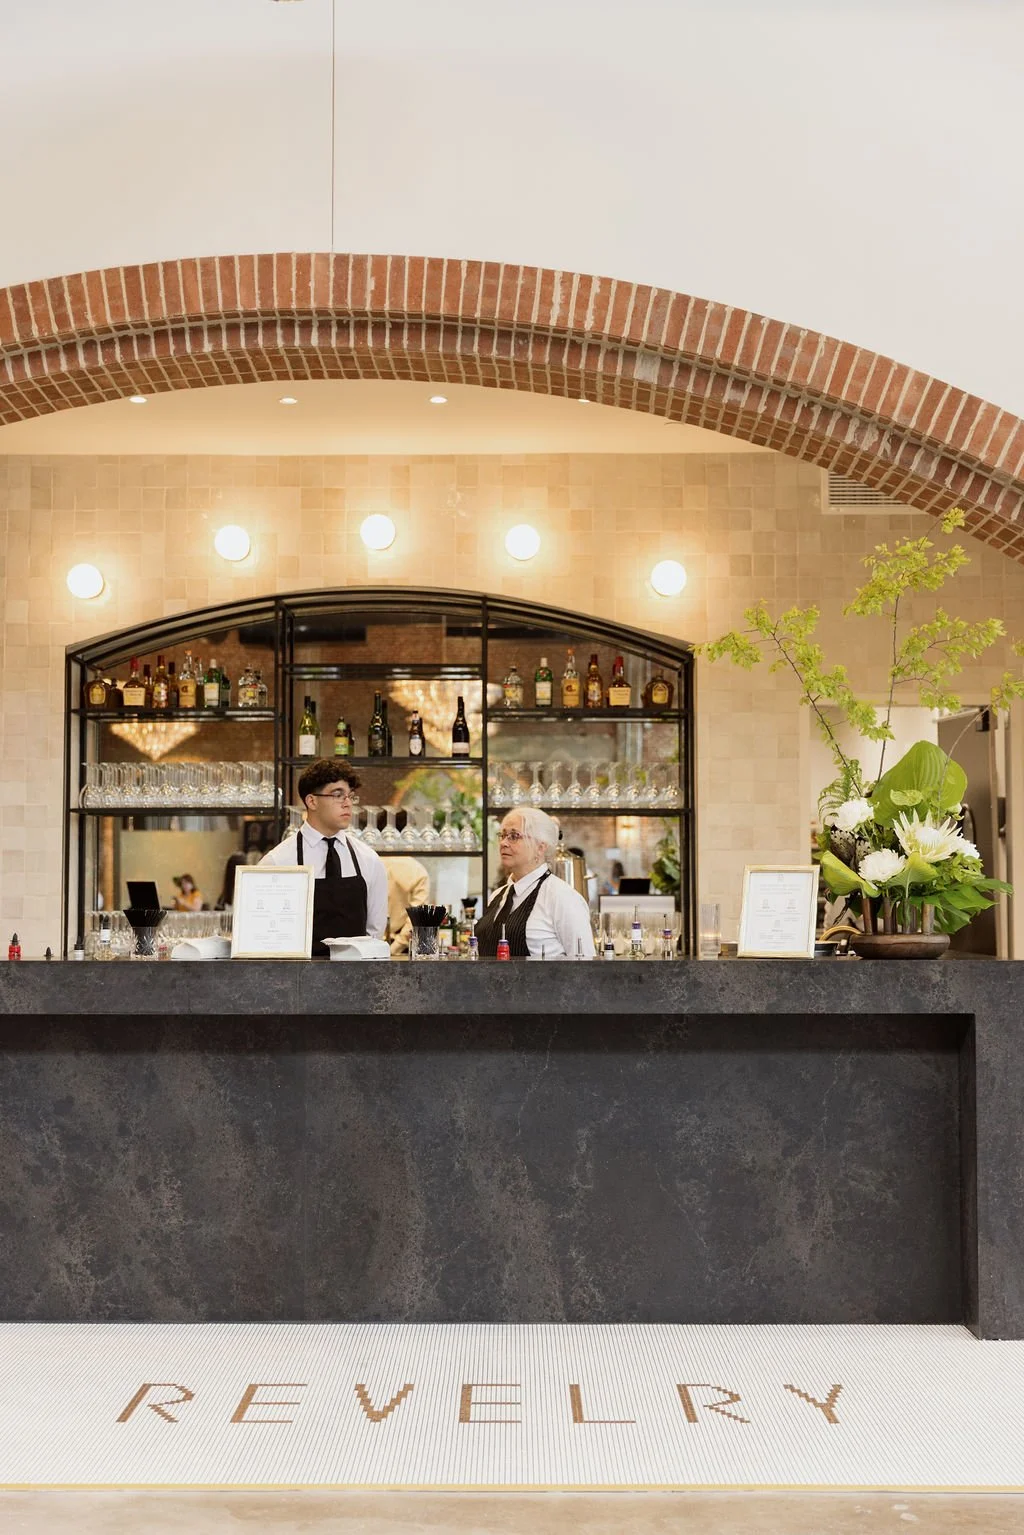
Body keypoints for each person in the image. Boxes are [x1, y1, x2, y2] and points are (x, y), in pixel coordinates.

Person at [259, 760, 387, 957]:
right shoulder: (277, 862)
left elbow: (375, 933)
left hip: (356, 978)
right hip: (297, 980)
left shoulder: (369, 860)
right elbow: (265, 933)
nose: (347, 803)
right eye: (337, 795)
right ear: (312, 801)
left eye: (350, 796)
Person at [475, 807, 595, 959]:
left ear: (540, 847)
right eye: (502, 835)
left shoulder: (562, 897)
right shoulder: (498, 895)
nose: (504, 843)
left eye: (514, 836)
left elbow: (585, 964)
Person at [384, 854, 430, 955]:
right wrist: (395, 948)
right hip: (398, 944)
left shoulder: (368, 861)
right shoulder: (417, 870)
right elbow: (417, 917)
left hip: (366, 943)